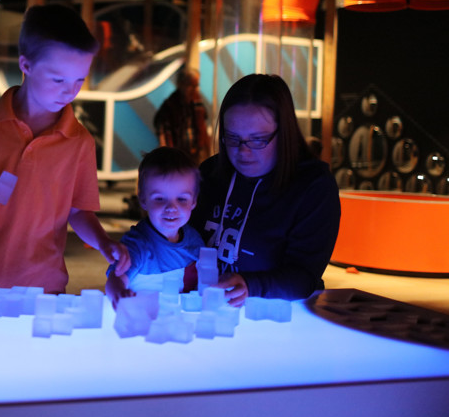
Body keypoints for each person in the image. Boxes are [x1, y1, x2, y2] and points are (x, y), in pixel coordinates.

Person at [0, 4, 130, 294]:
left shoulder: (79, 142)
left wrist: (104, 242)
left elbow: (79, 212)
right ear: (26, 65)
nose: (70, 91)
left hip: (42, 286)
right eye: (58, 79)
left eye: (79, 80)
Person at [189, 73, 340, 307]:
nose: (243, 151)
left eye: (258, 139)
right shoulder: (211, 172)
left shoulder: (313, 186)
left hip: (277, 318)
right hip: (206, 309)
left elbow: (303, 277)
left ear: (284, 133)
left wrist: (251, 284)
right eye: (232, 138)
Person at [106, 147, 203, 309]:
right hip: (139, 321)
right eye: (160, 199)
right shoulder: (137, 244)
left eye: (181, 199)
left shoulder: (195, 241)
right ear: (143, 199)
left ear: (194, 201)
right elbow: (116, 279)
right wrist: (118, 295)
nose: (171, 207)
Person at [153, 67, 211, 165]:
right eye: (191, 85)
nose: (194, 89)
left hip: (196, 154)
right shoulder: (169, 106)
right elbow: (163, 134)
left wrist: (206, 150)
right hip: (177, 158)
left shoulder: (196, 101)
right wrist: (170, 157)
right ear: (180, 84)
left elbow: (202, 127)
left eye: (196, 85)